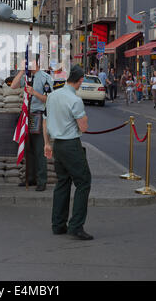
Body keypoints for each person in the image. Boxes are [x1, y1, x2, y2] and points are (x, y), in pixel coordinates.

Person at [43, 65, 92, 241]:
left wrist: (47, 144)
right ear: (79, 80)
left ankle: (58, 224)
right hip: (71, 145)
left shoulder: (53, 96)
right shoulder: (75, 100)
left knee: (62, 182)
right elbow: (83, 127)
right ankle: (76, 225)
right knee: (84, 182)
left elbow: (46, 121)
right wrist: (84, 119)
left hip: (57, 145)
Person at [10, 54, 53, 192]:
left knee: (39, 149)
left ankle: (42, 180)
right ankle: (30, 178)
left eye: (29, 62)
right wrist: (22, 71)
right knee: (28, 148)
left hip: (38, 115)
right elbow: (13, 86)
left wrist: (34, 92)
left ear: (36, 62)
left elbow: (48, 99)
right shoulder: (26, 78)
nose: (28, 65)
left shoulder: (45, 78)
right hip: (26, 115)